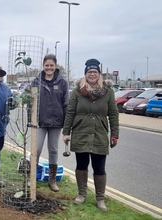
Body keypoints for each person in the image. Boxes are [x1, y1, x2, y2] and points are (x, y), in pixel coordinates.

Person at [62, 58, 119, 211]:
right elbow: (70, 112)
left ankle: (100, 198)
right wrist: (66, 132)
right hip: (80, 132)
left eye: (95, 72)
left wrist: (115, 134)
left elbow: (113, 114)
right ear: (85, 74)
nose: (92, 74)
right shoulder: (77, 91)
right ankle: (81, 194)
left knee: (99, 167)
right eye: (89, 72)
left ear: (99, 74)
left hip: (99, 133)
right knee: (81, 165)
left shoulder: (107, 92)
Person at [31, 54, 69, 192]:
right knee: (37, 149)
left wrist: (66, 126)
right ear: (43, 66)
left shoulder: (62, 83)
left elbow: (66, 104)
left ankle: (52, 180)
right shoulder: (36, 82)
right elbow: (30, 102)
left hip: (56, 122)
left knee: (53, 149)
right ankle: (32, 177)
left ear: (55, 66)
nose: (49, 68)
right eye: (46, 65)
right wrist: (32, 120)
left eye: (51, 65)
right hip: (40, 123)